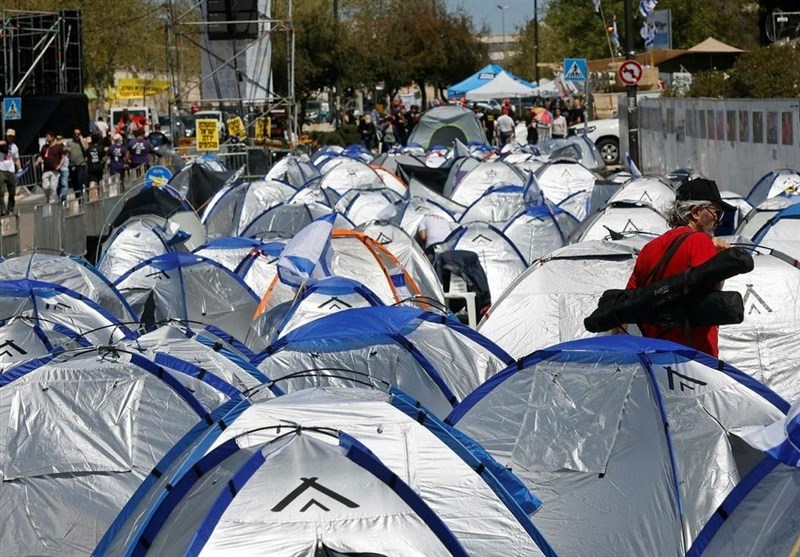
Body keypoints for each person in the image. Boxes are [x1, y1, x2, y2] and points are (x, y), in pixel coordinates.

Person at [624, 177, 735, 357]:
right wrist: (721, 259)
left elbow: (625, 306)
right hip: (695, 359)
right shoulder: (700, 241)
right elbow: (713, 291)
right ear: (697, 212)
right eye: (716, 212)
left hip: (657, 357)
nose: (718, 221)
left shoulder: (648, 249)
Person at [34, 131, 64, 203]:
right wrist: (37, 161)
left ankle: (51, 200)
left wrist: (59, 165)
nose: (46, 138)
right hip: (46, 170)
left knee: (53, 187)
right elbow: (41, 156)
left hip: (55, 171)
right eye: (46, 137)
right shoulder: (44, 147)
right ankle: (49, 198)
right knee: (45, 186)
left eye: (48, 137)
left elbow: (63, 157)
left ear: (52, 137)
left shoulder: (58, 147)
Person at [0, 129, 21, 215]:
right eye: (8, 136)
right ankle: (2, 209)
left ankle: (10, 208)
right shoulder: (1, 143)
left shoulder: (14, 147)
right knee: (0, 191)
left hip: (11, 170)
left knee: (12, 191)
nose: (10, 138)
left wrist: (20, 168)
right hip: (1, 169)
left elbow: (16, 158)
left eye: (11, 136)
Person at [67, 128, 89, 199]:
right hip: (72, 165)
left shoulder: (83, 141)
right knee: (75, 182)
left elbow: (86, 148)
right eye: (75, 134)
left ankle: (81, 196)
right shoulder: (69, 142)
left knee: (80, 180)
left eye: (78, 134)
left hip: (81, 164)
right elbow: (65, 150)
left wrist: (81, 140)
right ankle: (77, 196)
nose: (76, 135)